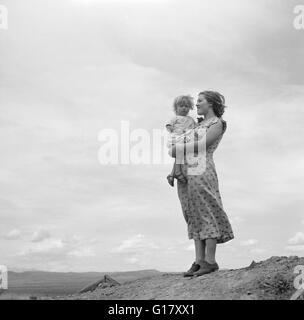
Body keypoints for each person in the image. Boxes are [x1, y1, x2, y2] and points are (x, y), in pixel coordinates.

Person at [168, 90, 234, 277]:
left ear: (211, 103)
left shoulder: (217, 123)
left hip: (202, 167)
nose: (196, 104)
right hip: (186, 170)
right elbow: (180, 147)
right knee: (192, 213)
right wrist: (174, 169)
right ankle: (199, 261)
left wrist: (178, 148)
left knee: (206, 210)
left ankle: (210, 261)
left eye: (200, 101)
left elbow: (204, 144)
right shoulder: (195, 124)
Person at [165, 95, 196, 187]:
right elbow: (168, 126)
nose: (184, 108)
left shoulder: (191, 119)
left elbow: (195, 127)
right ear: (176, 108)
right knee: (180, 153)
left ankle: (172, 174)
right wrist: (174, 129)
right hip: (176, 138)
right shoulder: (175, 118)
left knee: (180, 155)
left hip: (185, 138)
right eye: (181, 106)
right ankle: (177, 172)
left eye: (186, 106)